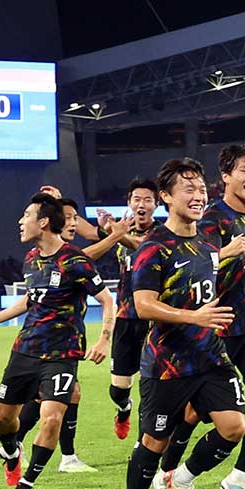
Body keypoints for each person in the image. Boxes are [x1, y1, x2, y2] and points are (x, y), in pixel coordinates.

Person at [115, 158, 245, 489]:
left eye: (201, 189)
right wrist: (194, 317)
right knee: (154, 443)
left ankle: (182, 478)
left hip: (210, 356)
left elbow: (206, 282)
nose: (199, 195)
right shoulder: (153, 247)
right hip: (167, 364)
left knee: (234, 427)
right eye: (188, 189)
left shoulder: (207, 242)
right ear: (167, 197)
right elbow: (144, 305)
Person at [156, 144, 245, 489]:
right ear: (226, 176)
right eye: (244, 170)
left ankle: (238, 477)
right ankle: (166, 475)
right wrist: (226, 253)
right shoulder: (211, 219)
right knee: (193, 413)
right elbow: (194, 266)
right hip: (216, 328)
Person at [0, 193, 113, 489]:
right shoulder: (31, 258)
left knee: (51, 418)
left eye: (26, 216)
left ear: (43, 222)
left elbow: (106, 300)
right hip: (25, 349)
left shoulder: (76, 261)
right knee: (3, 418)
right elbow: (30, 298)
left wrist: (104, 338)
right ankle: (12, 453)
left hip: (63, 354)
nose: (21, 221)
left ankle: (27, 483)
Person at [11, 198, 129, 473]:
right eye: (68, 217)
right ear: (50, 222)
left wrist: (113, 233)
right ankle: (18, 446)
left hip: (60, 341)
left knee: (70, 394)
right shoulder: (57, 257)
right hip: (50, 343)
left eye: (76, 217)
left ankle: (64, 455)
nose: (73, 223)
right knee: (50, 397)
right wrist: (115, 237)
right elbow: (82, 258)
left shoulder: (64, 256)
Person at [107, 178, 160, 439]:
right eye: (137, 199)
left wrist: (116, 234)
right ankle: (124, 408)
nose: (142, 204)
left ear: (156, 204)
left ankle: (144, 444)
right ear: (129, 203)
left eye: (147, 200)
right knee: (118, 390)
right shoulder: (121, 230)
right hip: (125, 318)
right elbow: (88, 233)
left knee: (152, 387)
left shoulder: (162, 234)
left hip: (154, 317)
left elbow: (143, 247)